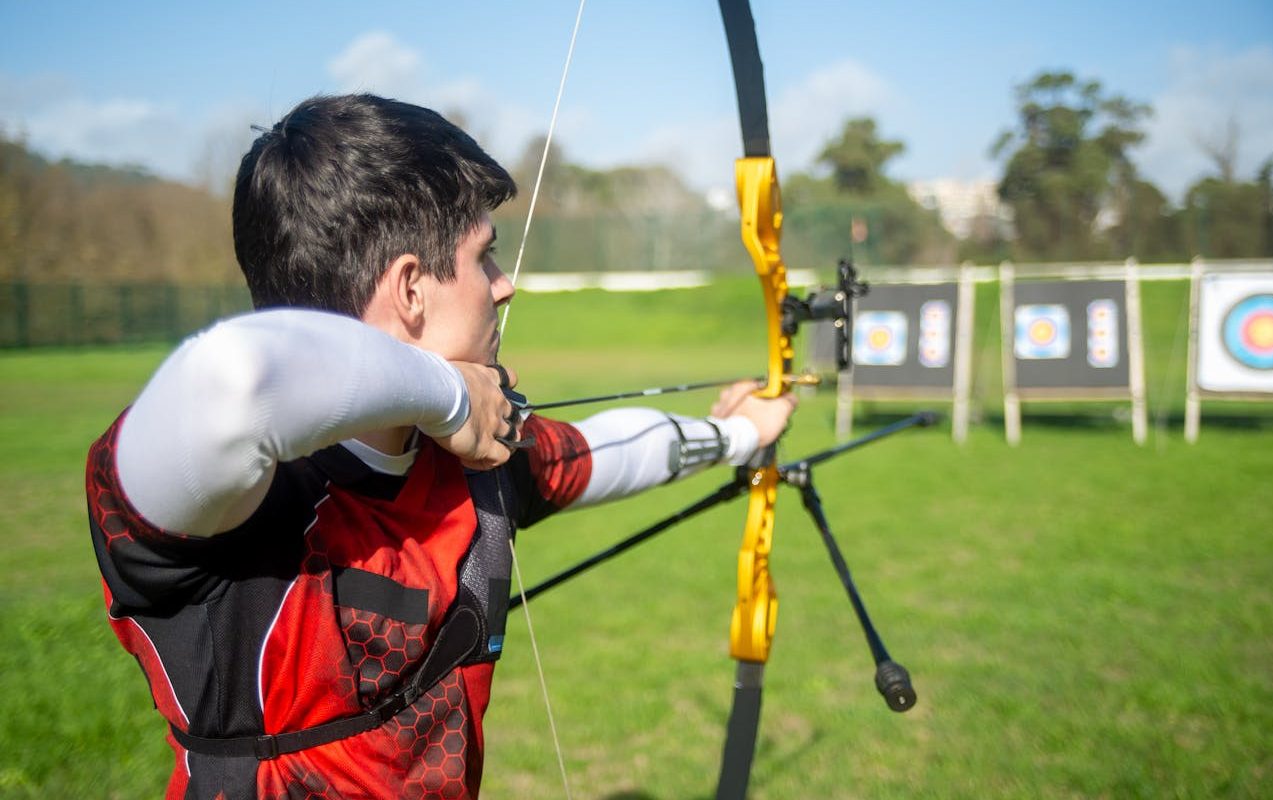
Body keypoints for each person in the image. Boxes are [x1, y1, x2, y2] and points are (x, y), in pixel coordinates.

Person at [85, 93, 796, 799]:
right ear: (410, 290)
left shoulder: (474, 459)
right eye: (484, 258)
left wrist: (740, 433)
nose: (505, 285)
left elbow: (609, 451)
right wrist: (446, 393)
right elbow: (232, 378)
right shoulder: (227, 493)